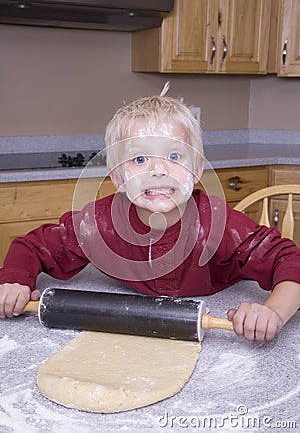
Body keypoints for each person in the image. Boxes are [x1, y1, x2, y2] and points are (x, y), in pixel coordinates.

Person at [0, 91, 300, 342]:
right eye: (140, 159)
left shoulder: (218, 223)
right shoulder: (100, 222)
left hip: (217, 310)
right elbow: (32, 246)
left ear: (196, 170)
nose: (158, 170)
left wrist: (271, 312)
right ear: (117, 177)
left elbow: (290, 261)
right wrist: (15, 281)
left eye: (174, 156)